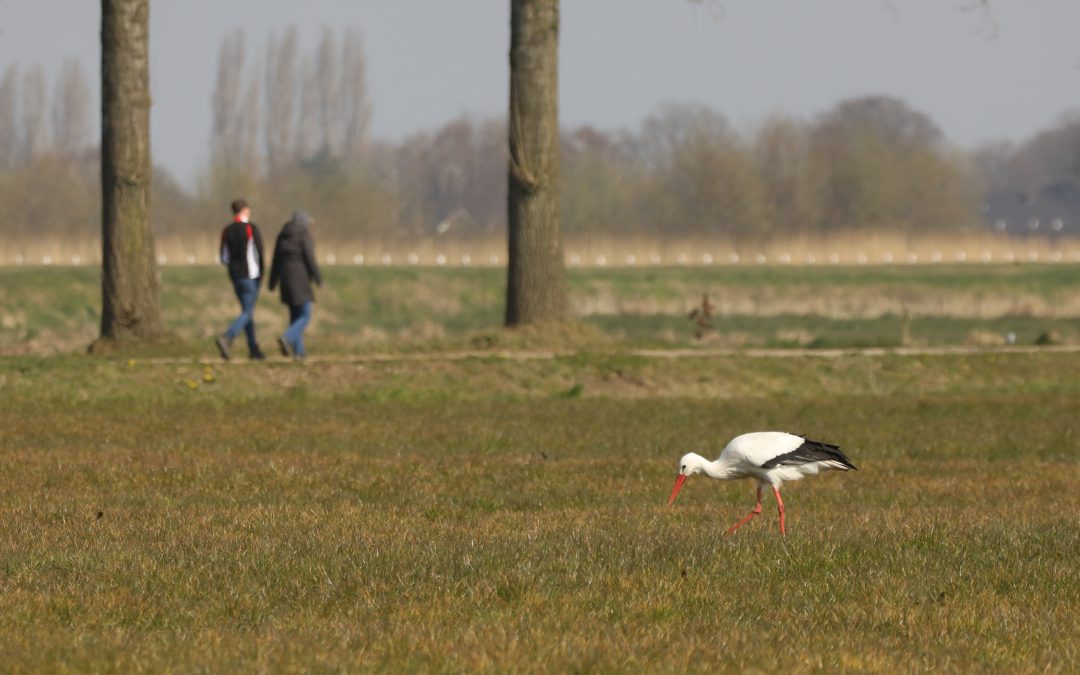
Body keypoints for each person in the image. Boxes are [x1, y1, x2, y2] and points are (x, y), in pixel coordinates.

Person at [215, 199, 267, 361]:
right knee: (248, 312)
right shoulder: (251, 228)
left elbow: (224, 257)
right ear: (244, 210)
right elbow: (259, 252)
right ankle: (228, 336)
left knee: (247, 311)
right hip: (250, 276)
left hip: (235, 276)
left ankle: (253, 349)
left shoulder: (227, 230)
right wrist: (261, 273)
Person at [268, 211, 323, 360]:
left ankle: (299, 352)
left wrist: (272, 282)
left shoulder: (282, 236)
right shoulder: (304, 235)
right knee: (306, 314)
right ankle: (287, 338)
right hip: (301, 279)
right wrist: (318, 279)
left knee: (294, 316)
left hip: (285, 280)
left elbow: (275, 261)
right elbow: (310, 258)